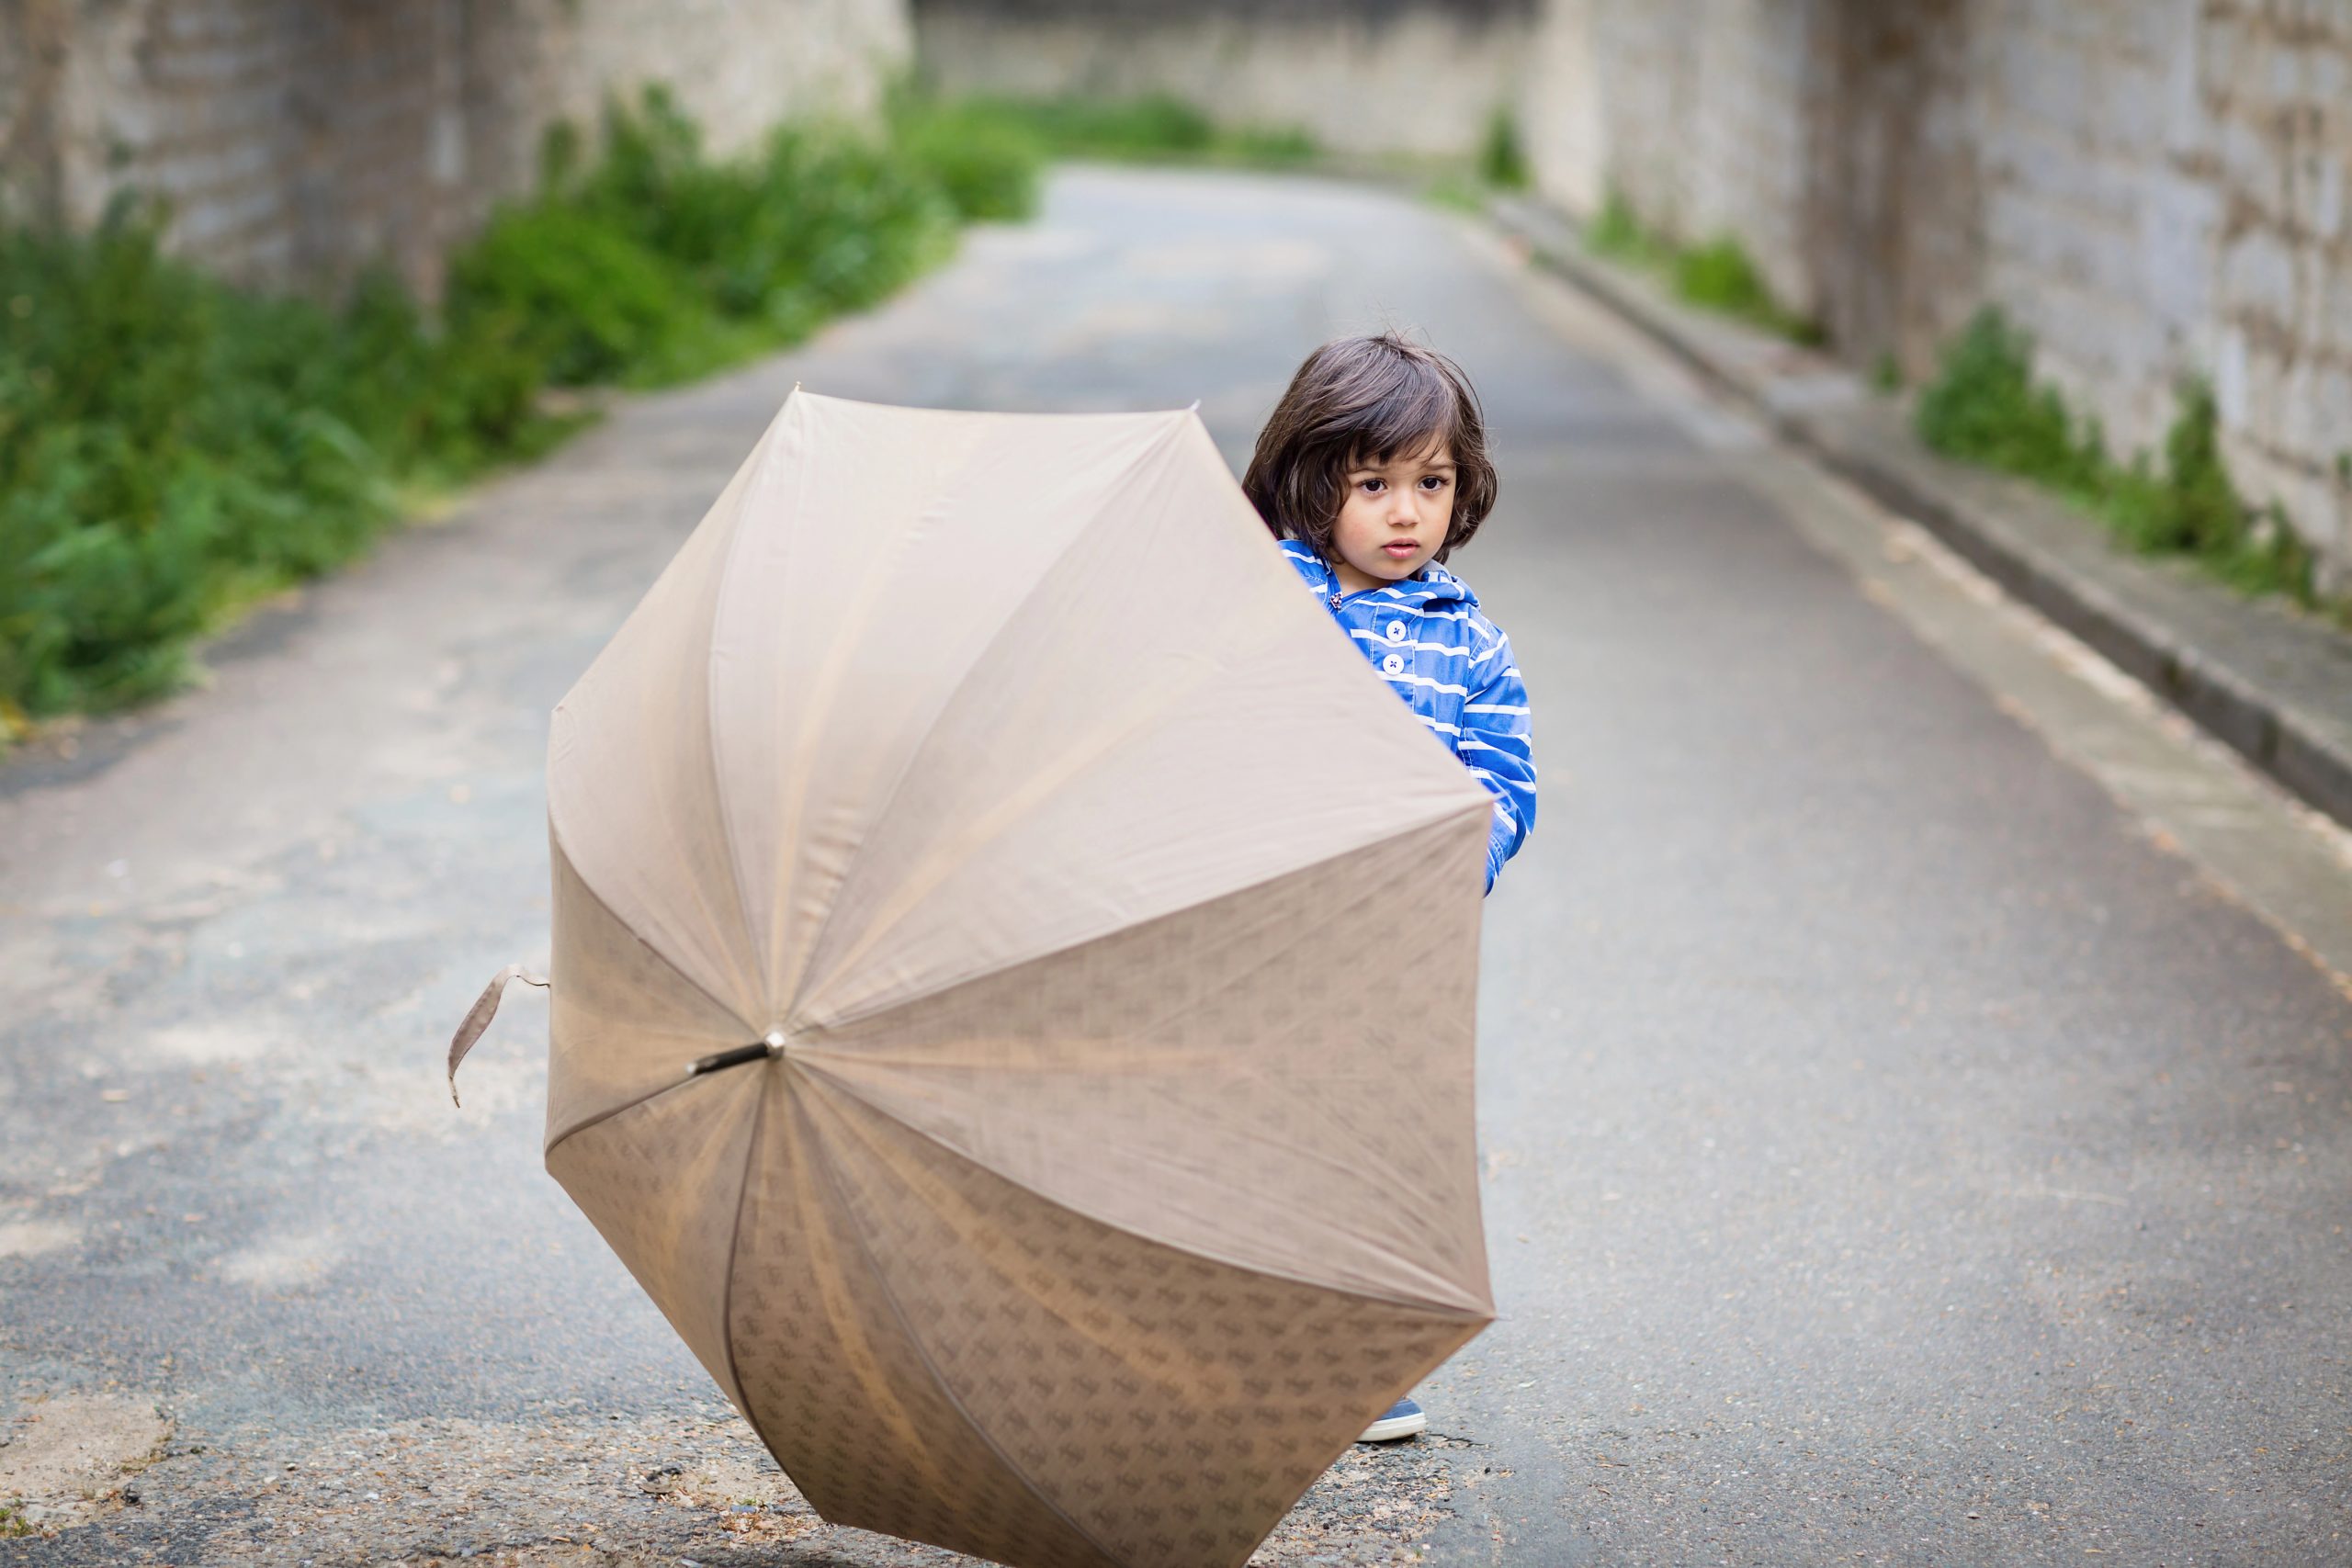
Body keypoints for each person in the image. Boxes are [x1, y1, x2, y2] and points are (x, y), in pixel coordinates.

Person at [1242, 330, 1535, 1443]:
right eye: (1373, 484)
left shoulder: (1470, 644)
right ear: (1312, 481)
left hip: (1395, 944)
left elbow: (1504, 782)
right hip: (1265, 917)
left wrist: (1461, 856)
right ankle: (1249, 1329)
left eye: (1432, 482)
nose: (1405, 513)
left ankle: (1363, 1361)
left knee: (1378, 1142)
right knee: (1263, 1126)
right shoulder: (1270, 597)